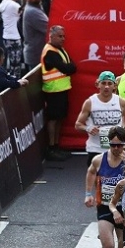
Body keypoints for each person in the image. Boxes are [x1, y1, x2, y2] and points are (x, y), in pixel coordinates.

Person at [84, 126, 125, 248]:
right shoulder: (98, 160)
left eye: (119, 145)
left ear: (124, 144)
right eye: (113, 145)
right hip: (104, 206)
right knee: (108, 245)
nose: (116, 149)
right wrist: (88, 194)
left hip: (124, 209)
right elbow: (90, 173)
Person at [40, 25, 76, 160]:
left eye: (63, 36)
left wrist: (69, 67)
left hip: (62, 89)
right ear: (51, 36)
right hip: (53, 90)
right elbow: (67, 68)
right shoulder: (50, 52)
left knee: (60, 118)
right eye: (60, 36)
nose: (63, 39)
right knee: (53, 119)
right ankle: (51, 148)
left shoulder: (59, 49)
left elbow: (72, 66)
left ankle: (56, 145)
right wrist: (69, 67)